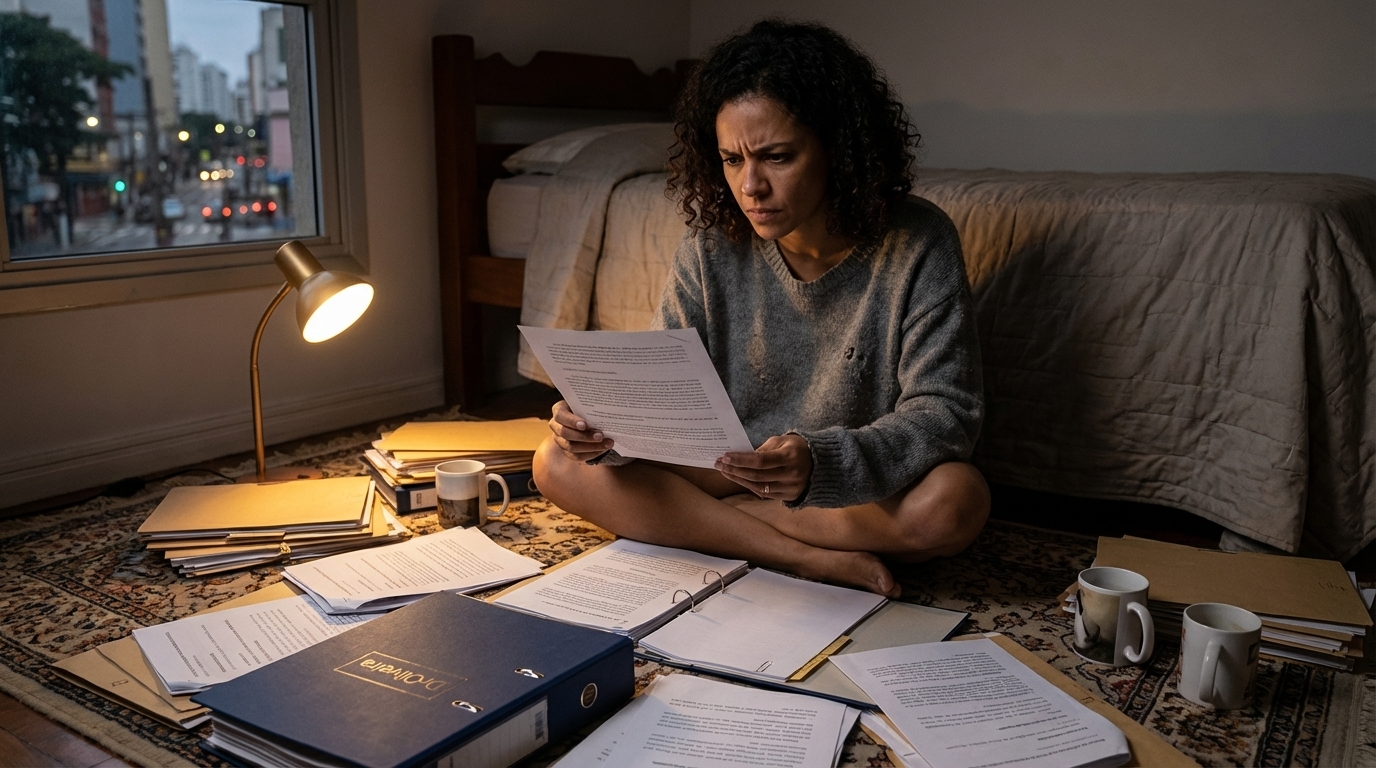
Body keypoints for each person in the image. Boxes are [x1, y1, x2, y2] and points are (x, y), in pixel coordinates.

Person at [533, 19, 989, 597]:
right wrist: (604, 429)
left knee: (955, 501)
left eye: (776, 156)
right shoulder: (710, 246)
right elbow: (662, 396)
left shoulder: (919, 242)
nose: (749, 186)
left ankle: (700, 526)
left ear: (839, 148)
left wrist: (819, 462)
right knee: (554, 460)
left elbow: (946, 414)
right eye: (730, 160)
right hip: (723, 466)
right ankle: (799, 556)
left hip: (832, 477)